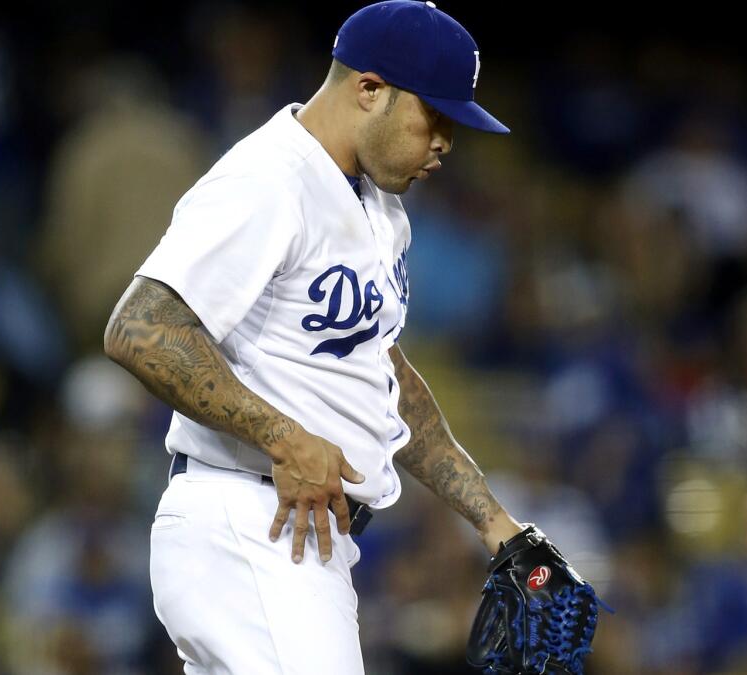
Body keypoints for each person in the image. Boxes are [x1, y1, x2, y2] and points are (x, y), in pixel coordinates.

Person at [102, 1, 526, 673]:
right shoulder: (270, 179)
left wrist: (494, 520)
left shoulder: (380, 206)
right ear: (368, 89)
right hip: (248, 520)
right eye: (434, 117)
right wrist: (282, 434)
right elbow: (139, 328)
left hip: (297, 539)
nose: (445, 141)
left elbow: (381, 375)